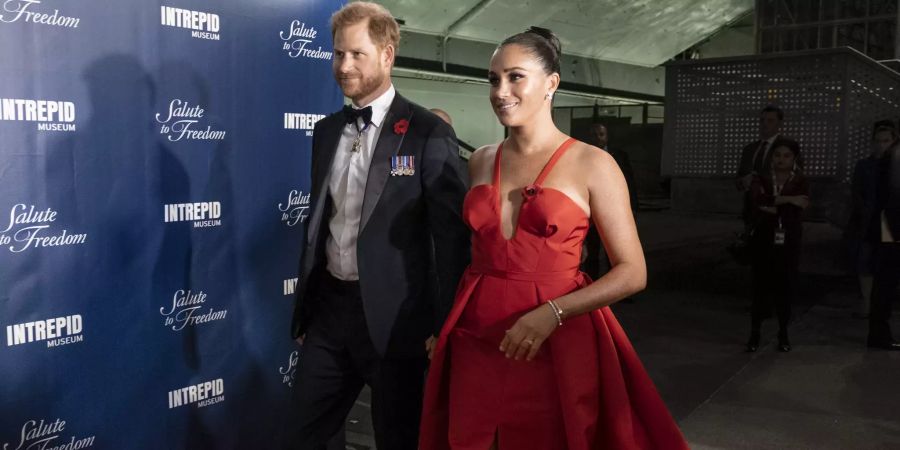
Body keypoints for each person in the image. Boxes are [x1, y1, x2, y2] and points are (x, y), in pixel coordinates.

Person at [419, 26, 687, 450]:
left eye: (515, 77)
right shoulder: (482, 161)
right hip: (476, 335)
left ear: (551, 83)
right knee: (469, 438)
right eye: (493, 79)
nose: (500, 90)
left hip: (556, 341)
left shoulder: (592, 163)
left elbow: (633, 272)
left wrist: (554, 313)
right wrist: (443, 323)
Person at [287, 3, 470, 449]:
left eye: (356, 54)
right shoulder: (327, 130)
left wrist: (443, 323)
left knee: (398, 438)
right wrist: (310, 306)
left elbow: (451, 241)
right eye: (337, 54)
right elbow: (322, 222)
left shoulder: (427, 132)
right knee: (303, 434)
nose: (343, 65)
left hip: (398, 322)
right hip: (330, 312)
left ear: (387, 55)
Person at [745, 139, 809, 353]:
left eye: (786, 156)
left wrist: (775, 203)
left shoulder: (800, 179)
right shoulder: (760, 177)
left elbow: (797, 210)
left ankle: (783, 334)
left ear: (794, 159)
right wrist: (789, 200)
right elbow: (757, 201)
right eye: (777, 155)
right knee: (759, 286)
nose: (781, 159)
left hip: (788, 240)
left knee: (785, 287)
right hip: (763, 237)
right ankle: (754, 334)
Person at [846, 123, 897, 319]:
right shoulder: (864, 165)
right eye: (878, 140)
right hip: (868, 219)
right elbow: (856, 192)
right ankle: (867, 302)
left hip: (890, 220)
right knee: (865, 261)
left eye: (886, 140)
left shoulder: (895, 164)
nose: (881, 145)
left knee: (886, 264)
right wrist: (865, 212)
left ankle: (880, 304)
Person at [866, 133, 900, 351]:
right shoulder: (897, 154)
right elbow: (894, 197)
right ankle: (879, 335)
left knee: (884, 284)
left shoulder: (893, 152)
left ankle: (878, 335)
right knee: (885, 284)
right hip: (893, 229)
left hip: (890, 227)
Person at [736, 106, 785, 228]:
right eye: (762, 120)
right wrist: (743, 182)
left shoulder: (788, 148)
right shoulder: (749, 149)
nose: (764, 124)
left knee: (777, 245)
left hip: (776, 212)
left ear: (779, 123)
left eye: (770, 120)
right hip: (751, 213)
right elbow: (738, 180)